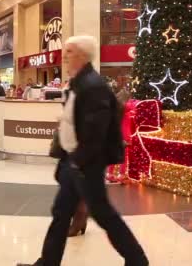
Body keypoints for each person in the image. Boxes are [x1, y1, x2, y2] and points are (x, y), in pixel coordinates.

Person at [18, 36, 148, 266]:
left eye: (69, 51)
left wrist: (79, 162)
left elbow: (95, 131)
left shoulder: (92, 85)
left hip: (86, 164)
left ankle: (137, 259)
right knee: (61, 213)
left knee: (103, 214)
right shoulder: (79, 82)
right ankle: (48, 262)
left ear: (81, 55)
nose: (64, 56)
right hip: (74, 162)